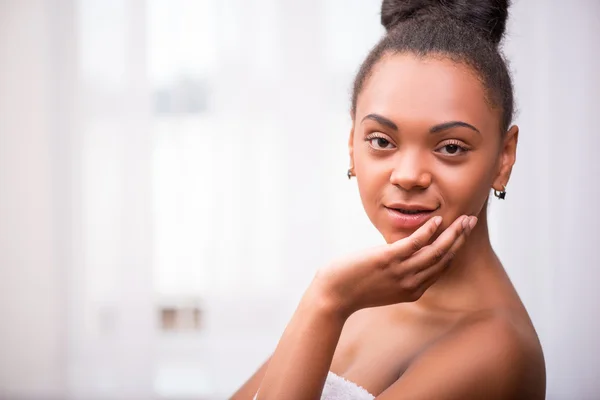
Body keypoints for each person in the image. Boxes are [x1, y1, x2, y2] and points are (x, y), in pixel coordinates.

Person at [231, 0, 546, 398]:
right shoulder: (366, 290)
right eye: (381, 141)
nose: (409, 175)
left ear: (504, 156)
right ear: (351, 145)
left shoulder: (496, 348)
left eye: (450, 147)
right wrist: (330, 302)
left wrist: (326, 299)